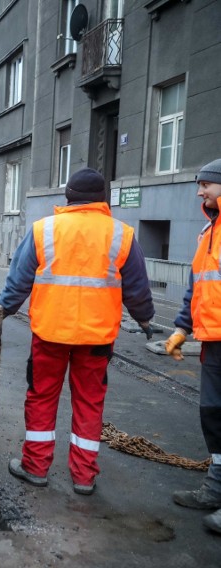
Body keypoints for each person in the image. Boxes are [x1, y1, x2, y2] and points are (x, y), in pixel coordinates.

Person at [0, 167, 155, 496]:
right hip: (97, 339)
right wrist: (145, 319)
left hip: (50, 334)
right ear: (102, 199)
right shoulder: (121, 234)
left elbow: (19, 279)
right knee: (89, 402)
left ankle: (35, 467)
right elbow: (137, 288)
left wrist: (1, 311)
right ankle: (84, 477)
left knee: (41, 398)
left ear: (67, 197)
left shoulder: (45, 230)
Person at [165, 158, 221, 536]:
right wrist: (183, 327)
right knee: (213, 415)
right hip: (214, 341)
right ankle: (215, 488)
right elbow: (197, 285)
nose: (199, 191)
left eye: (206, 185)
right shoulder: (208, 231)